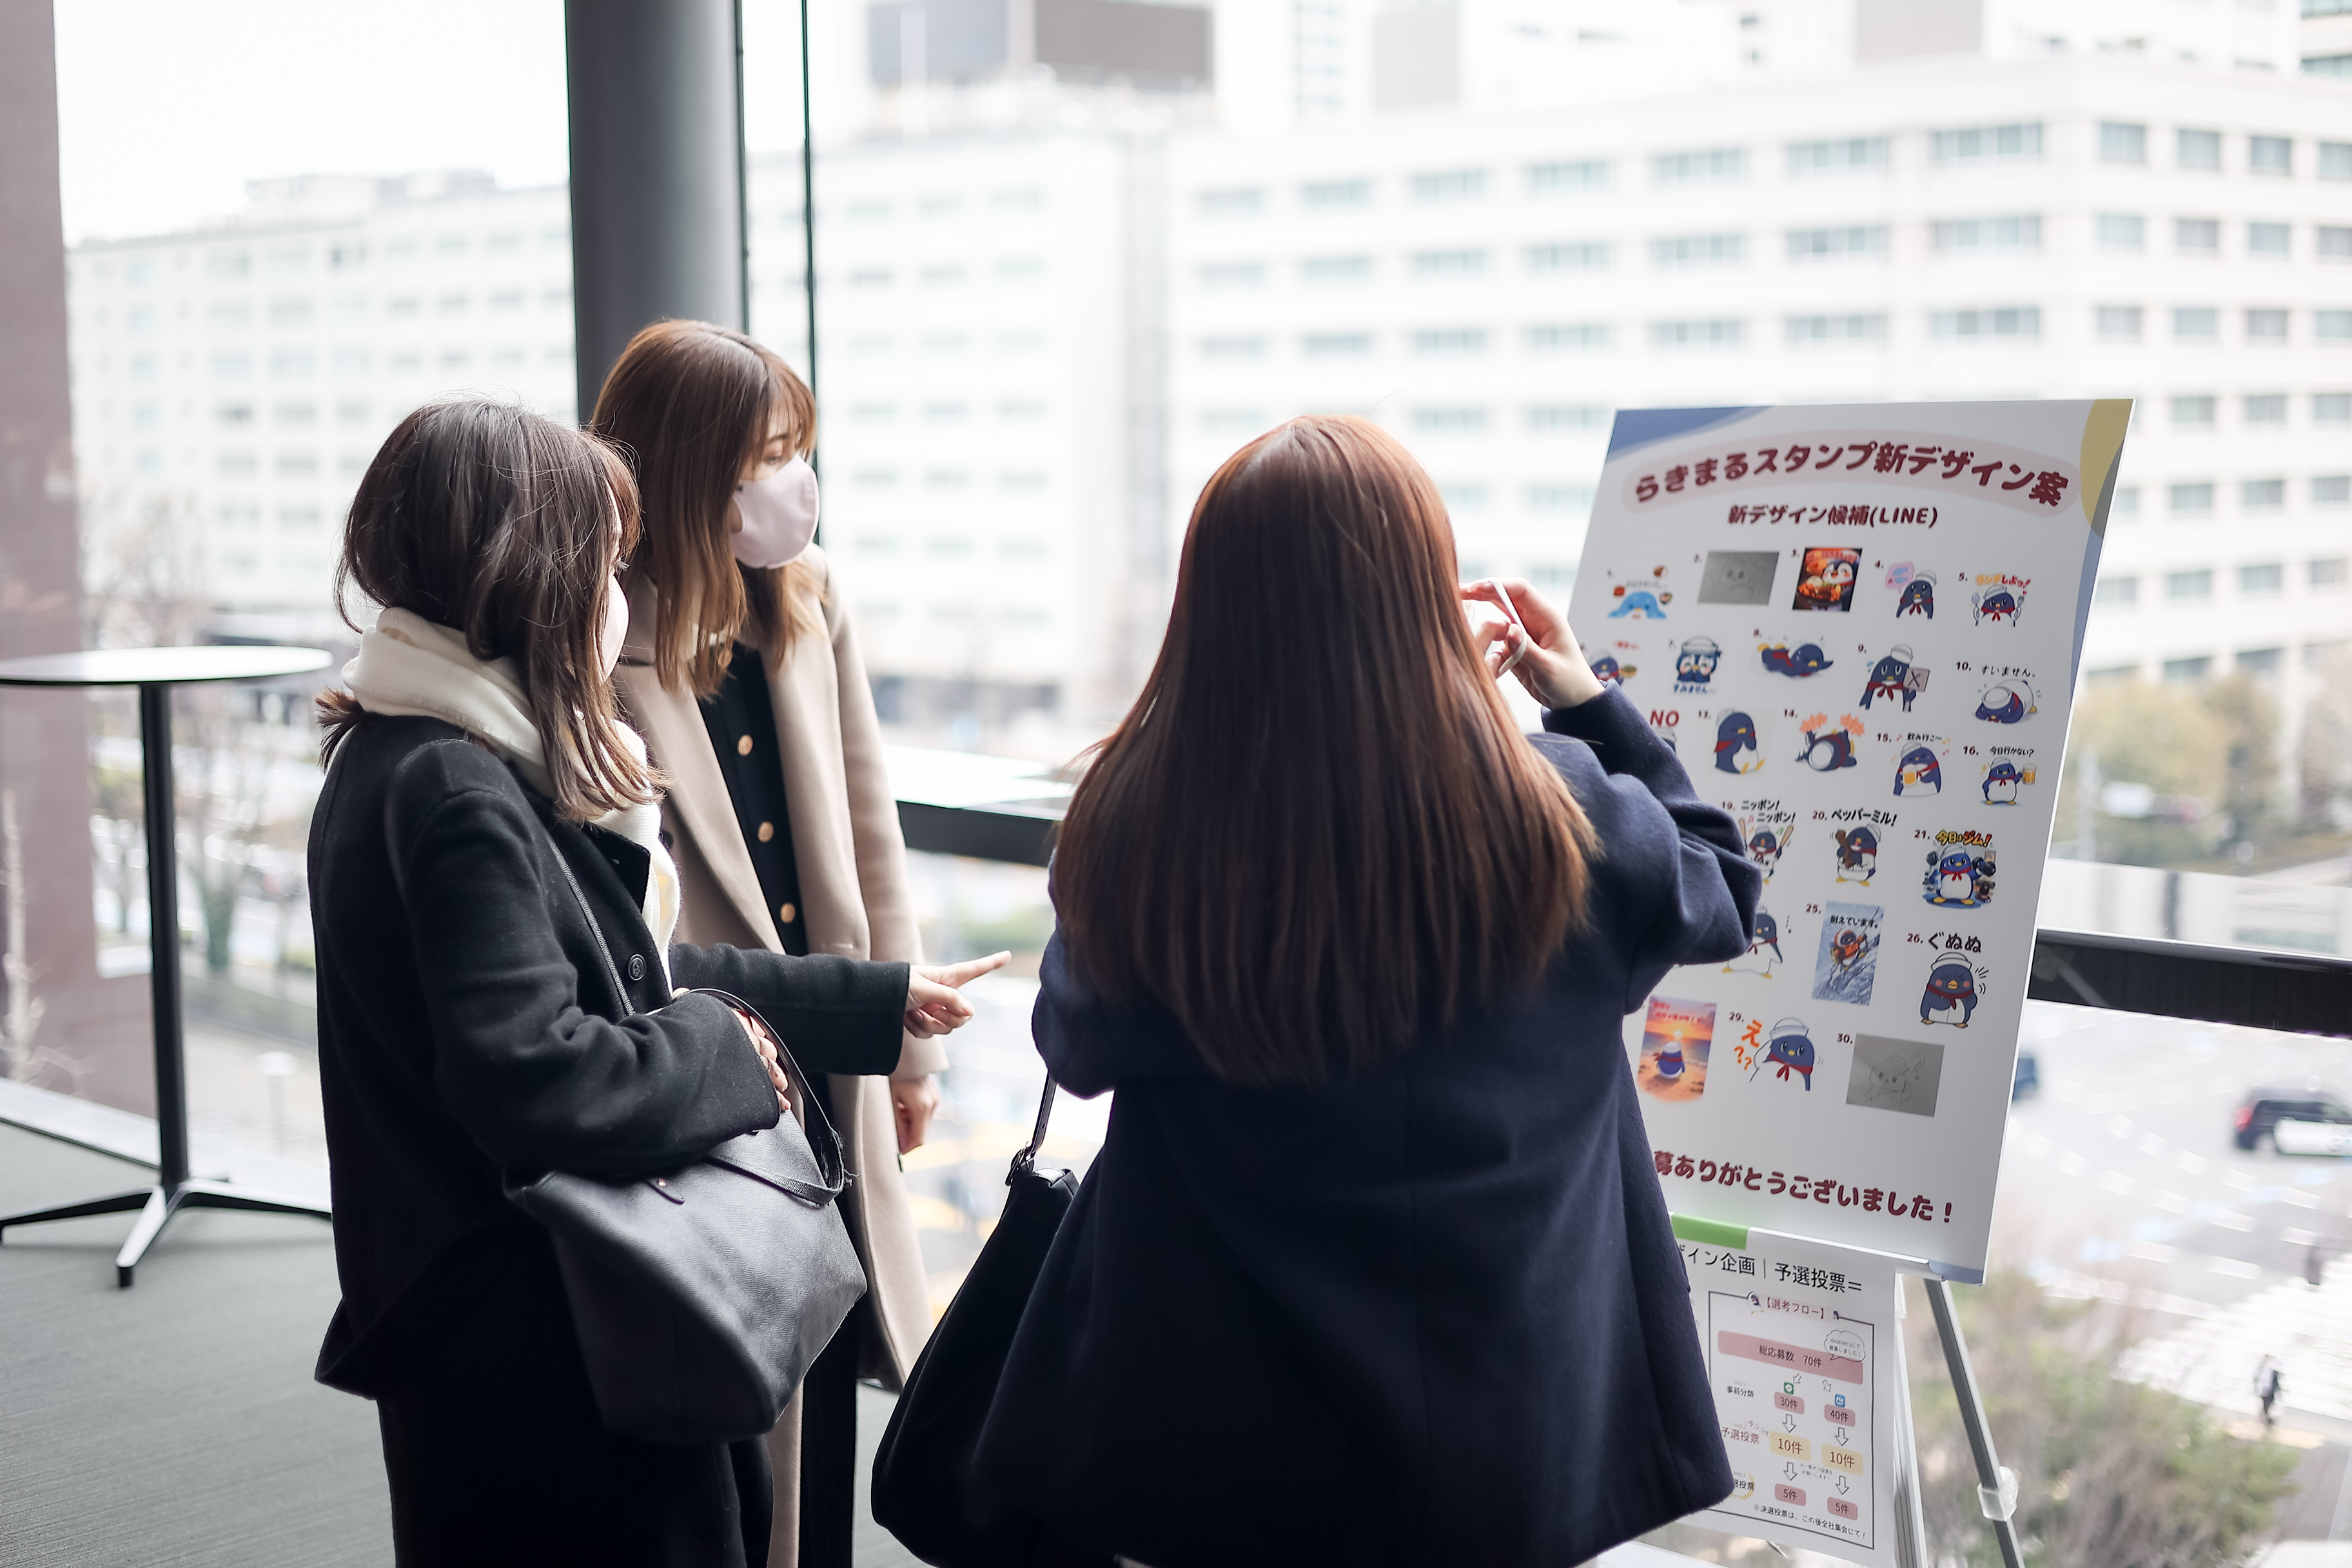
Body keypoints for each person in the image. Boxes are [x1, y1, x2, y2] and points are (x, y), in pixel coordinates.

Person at [975, 415, 1762, 1567]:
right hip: (1511, 1431)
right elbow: (1723, 890)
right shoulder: (1556, 813)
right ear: (1422, 601)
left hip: (1221, 1449)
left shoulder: (1147, 833)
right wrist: (1586, 702)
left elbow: (1075, 1043)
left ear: (1212, 612)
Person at [306, 398, 1003, 1567]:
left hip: (496, 1328)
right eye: (602, 564)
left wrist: (871, 1002)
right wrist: (737, 1051)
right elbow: (541, 1074)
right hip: (547, 1344)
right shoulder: (459, 792)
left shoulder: (409, 748)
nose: (616, 594)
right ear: (530, 575)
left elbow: (611, 964)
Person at [589, 319, 940, 1568]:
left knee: (839, 1356)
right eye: (772, 455)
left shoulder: (805, 591)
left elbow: (869, 823)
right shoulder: (598, 639)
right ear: (694, 477)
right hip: (718, 1065)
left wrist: (907, 1050)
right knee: (748, 1395)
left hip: (837, 1041)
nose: (801, 482)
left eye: (801, 449)